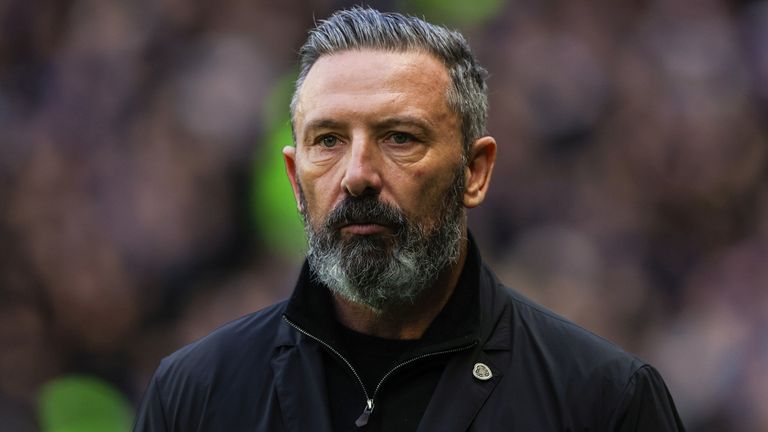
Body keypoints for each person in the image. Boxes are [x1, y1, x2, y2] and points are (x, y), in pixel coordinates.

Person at [133, 7, 685, 431]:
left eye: (399, 138)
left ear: (475, 171)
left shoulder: (604, 400)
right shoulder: (195, 395)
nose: (357, 175)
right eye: (327, 141)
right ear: (294, 178)